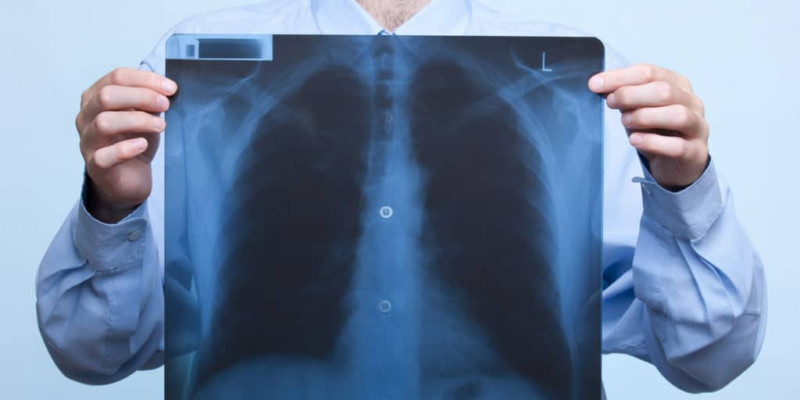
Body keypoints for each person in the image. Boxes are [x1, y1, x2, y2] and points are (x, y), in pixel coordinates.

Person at [36, 0, 766, 395]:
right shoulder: (196, 70)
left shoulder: (583, 82)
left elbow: (708, 359)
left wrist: (685, 187)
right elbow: (91, 352)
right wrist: (112, 207)